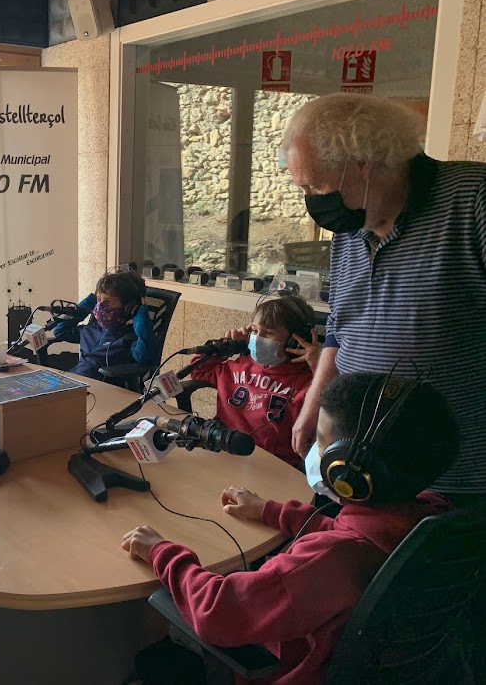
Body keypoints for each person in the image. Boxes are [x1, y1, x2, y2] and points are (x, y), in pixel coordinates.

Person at [121, 372, 457, 684]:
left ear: (350, 471)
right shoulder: (431, 513)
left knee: (154, 650)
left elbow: (216, 612)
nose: (315, 452)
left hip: (290, 671)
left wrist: (162, 552)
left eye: (322, 443)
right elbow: (348, 533)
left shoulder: (328, 561)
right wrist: (273, 512)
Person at [280, 93, 486, 500]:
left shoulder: (474, 200)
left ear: (364, 161)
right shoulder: (351, 228)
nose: (313, 203)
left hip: (455, 482)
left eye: (317, 185)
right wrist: (313, 405)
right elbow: (340, 328)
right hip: (361, 469)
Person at [189, 294, 319, 468]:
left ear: (294, 342)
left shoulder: (306, 382)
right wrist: (226, 347)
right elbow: (198, 370)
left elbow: (331, 408)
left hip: (273, 465)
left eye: (269, 333)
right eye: (255, 331)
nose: (258, 338)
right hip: (225, 450)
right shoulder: (236, 366)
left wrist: (318, 366)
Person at [53, 268, 157, 385]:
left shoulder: (128, 337)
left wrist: (141, 319)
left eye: (108, 302)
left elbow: (144, 357)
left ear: (128, 307)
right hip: (74, 380)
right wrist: (90, 301)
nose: (100, 306)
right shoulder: (90, 329)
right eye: (99, 299)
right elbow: (60, 331)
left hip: (98, 389)